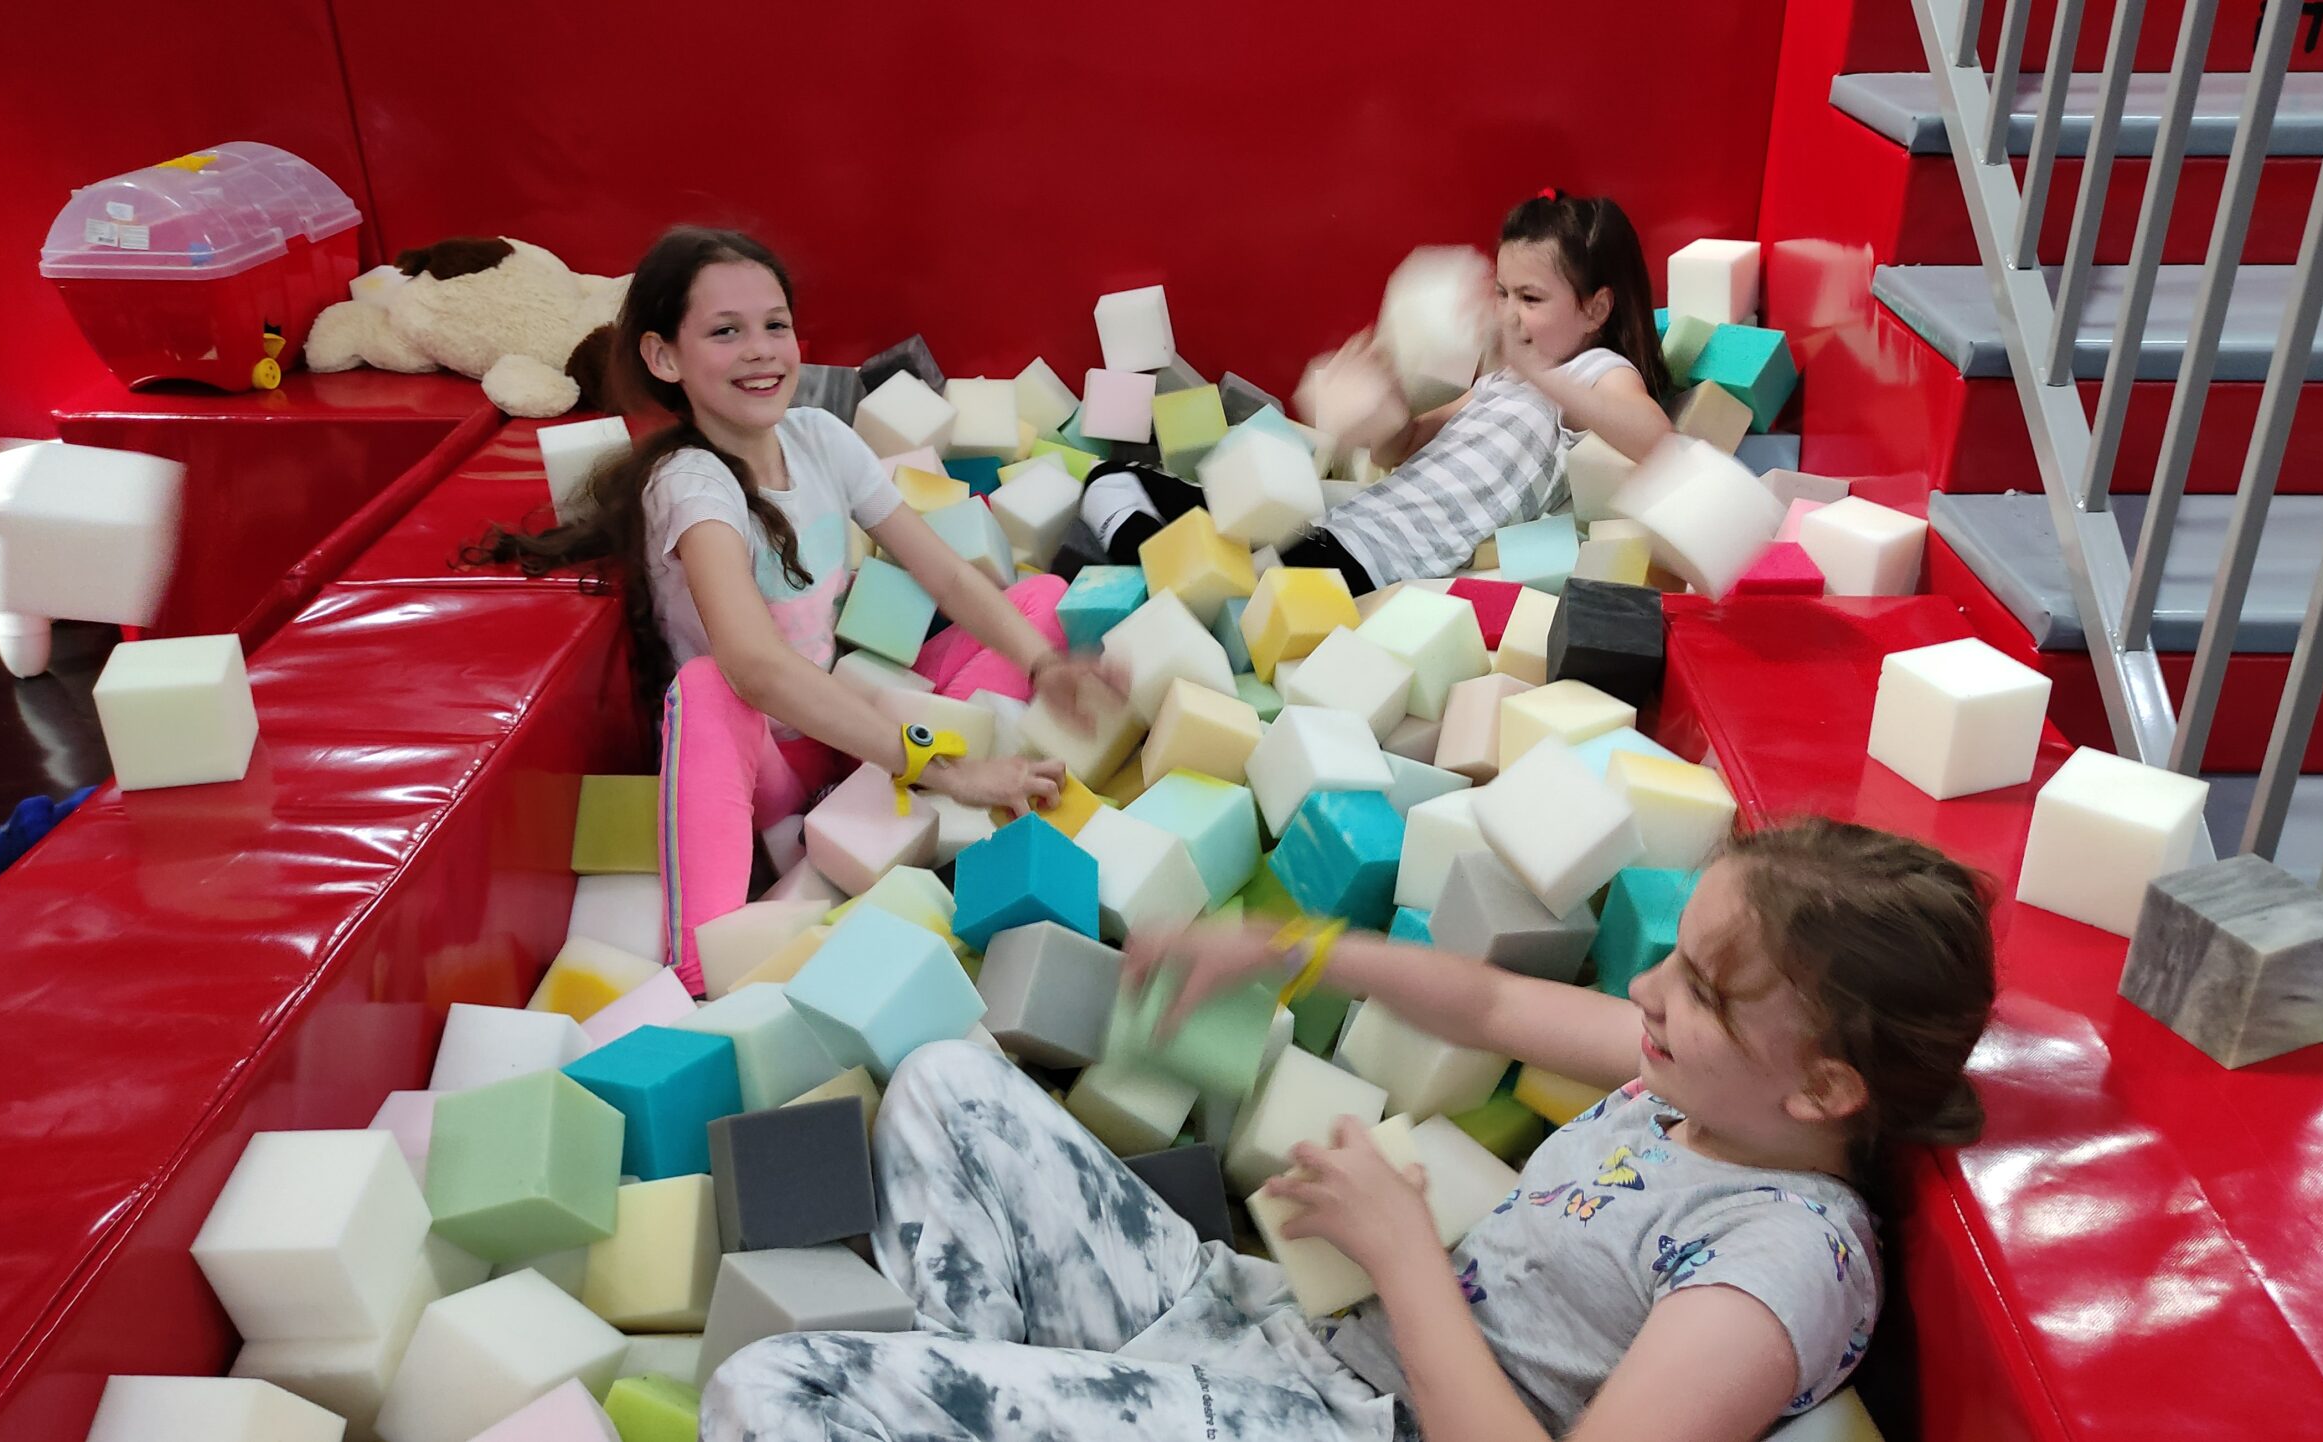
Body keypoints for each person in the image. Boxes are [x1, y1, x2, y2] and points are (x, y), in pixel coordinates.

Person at [704, 818, 1998, 1441]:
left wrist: (1402, 1252)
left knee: (770, 1391)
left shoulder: (1777, 1257)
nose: (1648, 991)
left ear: (1823, 1087)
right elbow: (1491, 1002)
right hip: (1273, 1337)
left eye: (1700, 989)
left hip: (1349, 1428)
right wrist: (1294, 945)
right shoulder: (1696, 1084)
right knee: (945, 1081)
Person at [466, 226, 1117, 994]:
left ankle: (901, 825)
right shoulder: (691, 483)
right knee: (710, 685)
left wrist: (1045, 667)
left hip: (845, 729)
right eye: (725, 332)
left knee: (1039, 601)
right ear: (664, 358)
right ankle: (709, 968)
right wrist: (943, 768)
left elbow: (945, 573)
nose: (760, 351)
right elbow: (756, 668)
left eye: (774, 325)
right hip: (768, 763)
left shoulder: (818, 436)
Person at [1081, 190, 1678, 594]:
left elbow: (1655, 440)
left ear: (1596, 308)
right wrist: (1379, 405)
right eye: (1501, 293)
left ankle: (1174, 582)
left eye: (1531, 299)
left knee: (1249, 592)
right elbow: (1403, 448)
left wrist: (1537, 373)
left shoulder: (1595, 373)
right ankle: (1164, 569)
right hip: (1334, 526)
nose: (1507, 315)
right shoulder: (1497, 384)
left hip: (1375, 563)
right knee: (1110, 479)